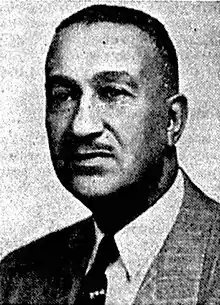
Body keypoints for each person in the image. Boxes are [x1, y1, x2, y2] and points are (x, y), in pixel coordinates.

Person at [0, 4, 220, 304]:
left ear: (172, 121)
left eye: (112, 93)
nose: (80, 126)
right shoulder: (16, 280)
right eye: (63, 96)